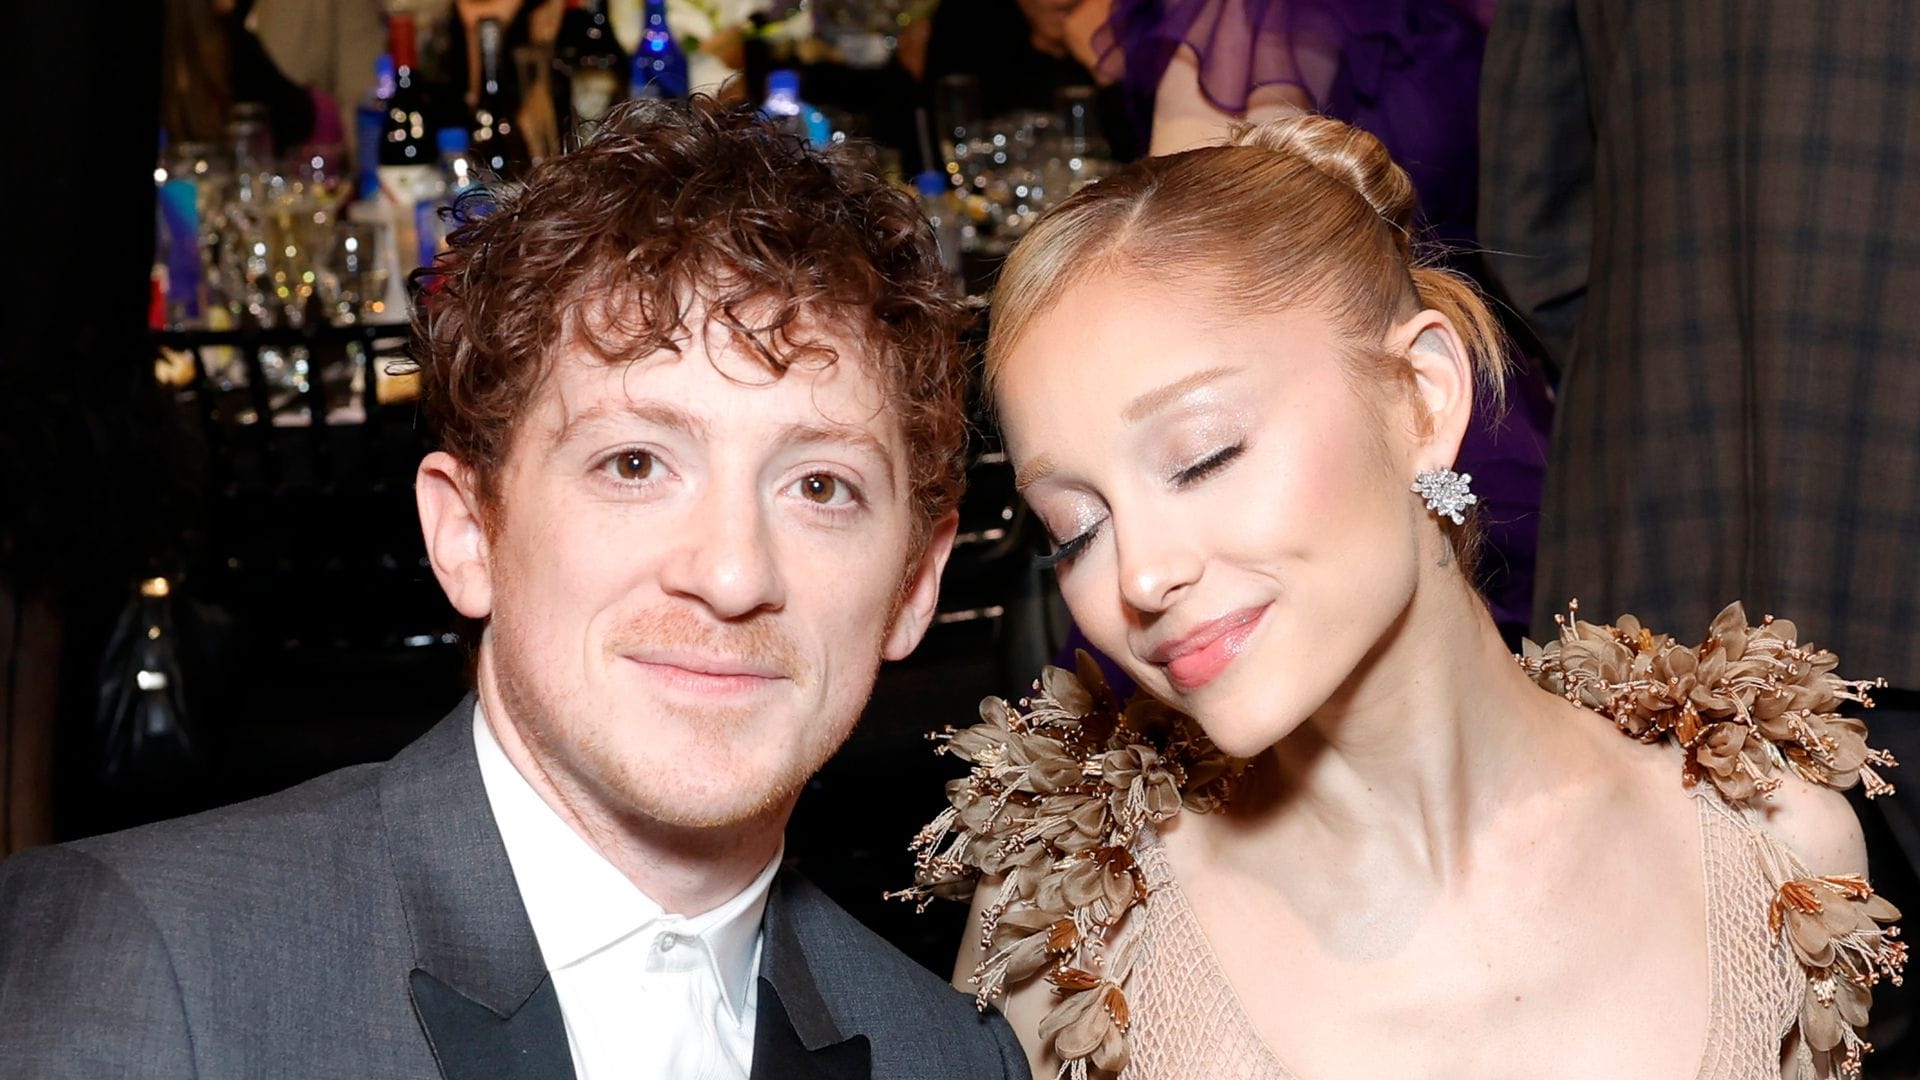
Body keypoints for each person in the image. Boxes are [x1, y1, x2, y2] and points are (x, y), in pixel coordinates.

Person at [0, 99, 1029, 1080]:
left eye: (819, 487)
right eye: (634, 464)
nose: (730, 573)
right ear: (465, 534)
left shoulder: (943, 1054)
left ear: (912, 586)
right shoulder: (150, 961)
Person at [898, 114, 1904, 1079]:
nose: (1140, 577)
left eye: (1200, 459)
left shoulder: (1771, 845)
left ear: (1421, 397)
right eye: (1076, 526)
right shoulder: (1071, 929)